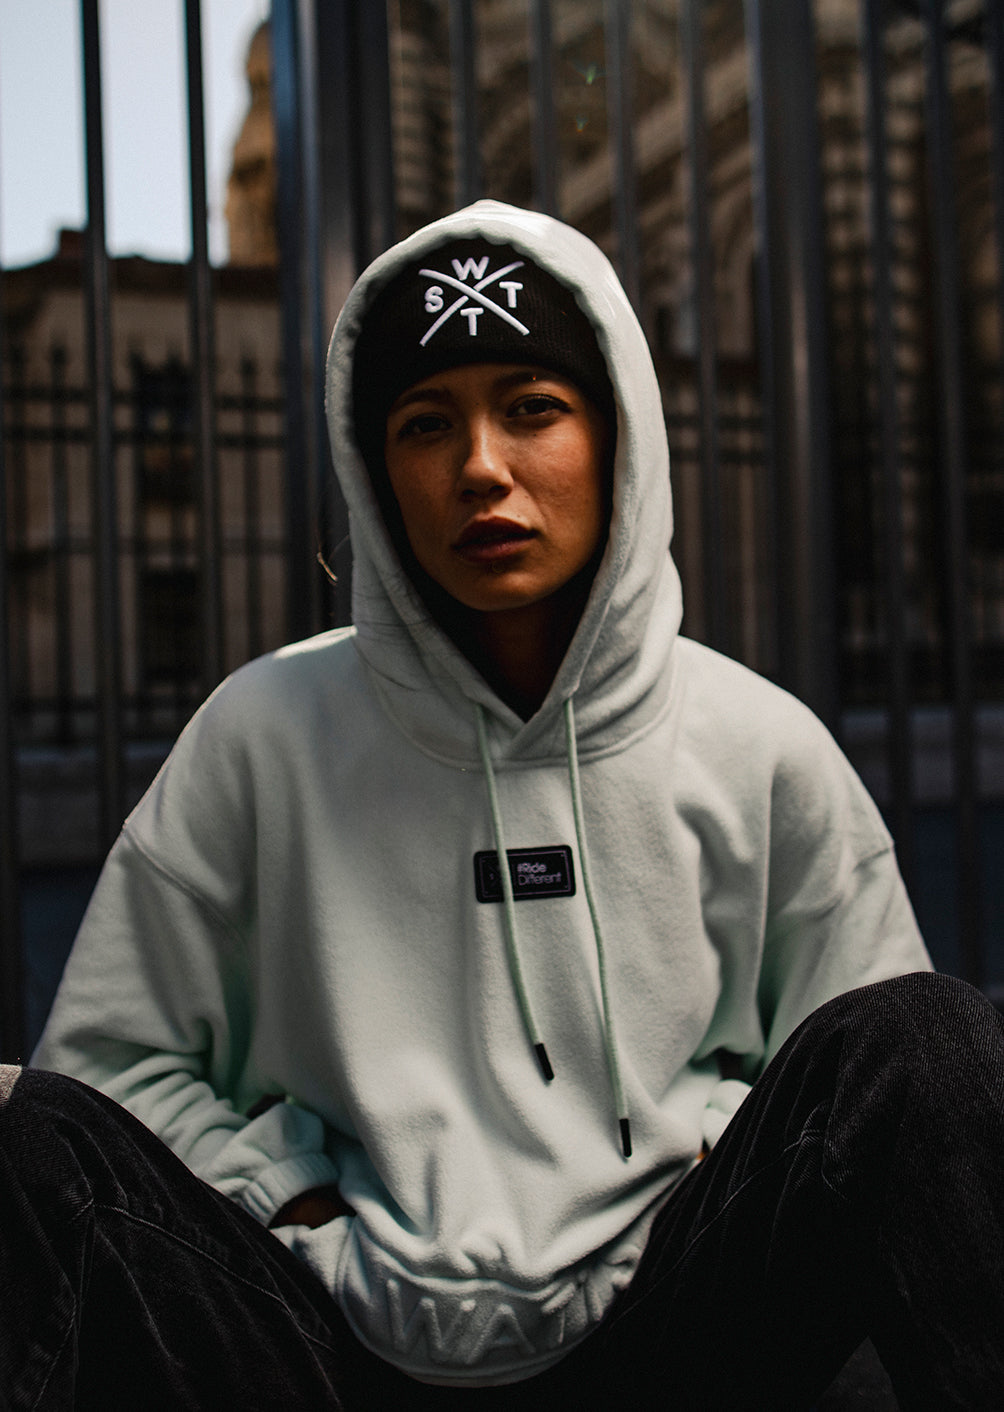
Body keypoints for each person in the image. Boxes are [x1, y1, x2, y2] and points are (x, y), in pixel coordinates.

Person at [3, 199, 1002, 1409]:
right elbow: (107, 1068)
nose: (479, 466)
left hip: (668, 1324)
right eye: (426, 423)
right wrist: (280, 1187)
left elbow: (871, 1099)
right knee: (35, 1141)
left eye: (531, 407)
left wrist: (710, 1143)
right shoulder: (261, 733)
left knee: (931, 1039)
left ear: (616, 435)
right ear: (376, 472)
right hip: (326, 1339)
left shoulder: (758, 742)